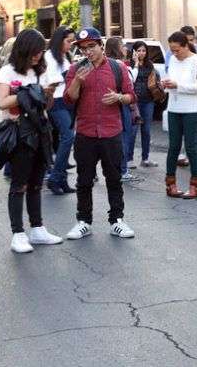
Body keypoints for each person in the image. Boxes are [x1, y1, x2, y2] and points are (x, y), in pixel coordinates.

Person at [63, 27, 136, 240]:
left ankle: (117, 221)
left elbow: (131, 96)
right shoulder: (75, 69)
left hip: (111, 132)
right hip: (85, 133)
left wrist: (119, 98)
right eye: (83, 48)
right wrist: (77, 80)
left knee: (114, 178)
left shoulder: (117, 68)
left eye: (91, 47)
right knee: (84, 180)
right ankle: (83, 221)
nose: (87, 52)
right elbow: (69, 100)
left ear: (101, 46)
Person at [0, 29, 63, 253]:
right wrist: (29, 92)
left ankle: (37, 228)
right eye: (34, 52)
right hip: (18, 133)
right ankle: (18, 233)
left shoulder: (39, 71)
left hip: (40, 132)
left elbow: (46, 107)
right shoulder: (8, 71)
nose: (38, 56)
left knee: (36, 183)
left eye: (40, 52)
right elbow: (2, 102)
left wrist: (48, 94)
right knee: (19, 185)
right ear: (24, 49)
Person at [164, 31, 197, 199]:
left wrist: (177, 85)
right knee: (173, 147)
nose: (174, 53)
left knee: (191, 147)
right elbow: (172, 80)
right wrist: (166, 83)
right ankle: (170, 184)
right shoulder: (172, 59)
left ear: (186, 46)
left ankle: (195, 185)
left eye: (177, 50)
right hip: (173, 107)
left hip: (192, 110)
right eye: (172, 50)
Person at [44, 25, 77, 195]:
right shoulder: (49, 56)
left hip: (67, 100)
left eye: (72, 41)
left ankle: (61, 180)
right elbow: (52, 80)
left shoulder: (64, 57)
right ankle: (55, 177)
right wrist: (74, 75)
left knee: (67, 138)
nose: (70, 44)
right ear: (59, 40)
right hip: (55, 101)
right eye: (68, 41)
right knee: (68, 137)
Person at [105, 38, 137, 182]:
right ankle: (123, 170)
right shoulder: (119, 65)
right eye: (123, 46)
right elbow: (130, 87)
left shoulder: (103, 63)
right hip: (121, 102)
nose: (125, 48)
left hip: (109, 104)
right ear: (117, 48)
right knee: (123, 137)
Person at [128, 40, 158, 169]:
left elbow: (155, 79)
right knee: (133, 130)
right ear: (134, 51)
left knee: (146, 130)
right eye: (138, 50)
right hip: (134, 101)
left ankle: (145, 158)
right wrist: (135, 63)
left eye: (143, 50)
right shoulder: (129, 64)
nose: (141, 53)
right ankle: (129, 159)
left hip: (148, 100)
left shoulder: (150, 64)